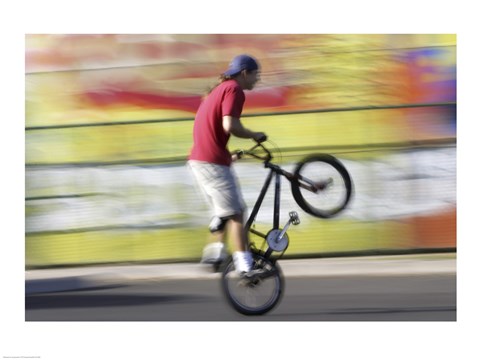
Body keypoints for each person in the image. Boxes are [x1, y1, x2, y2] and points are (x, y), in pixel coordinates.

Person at [188, 54, 266, 275]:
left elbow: (211, 131)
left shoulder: (219, 90)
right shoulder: (234, 89)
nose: (257, 80)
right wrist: (255, 135)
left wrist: (227, 155)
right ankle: (246, 268)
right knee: (237, 213)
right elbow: (229, 125)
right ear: (244, 73)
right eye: (256, 75)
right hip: (210, 162)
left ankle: (214, 255)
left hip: (202, 160)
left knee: (224, 212)